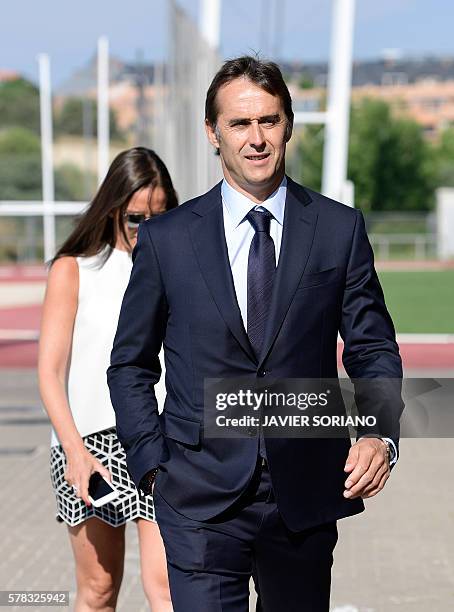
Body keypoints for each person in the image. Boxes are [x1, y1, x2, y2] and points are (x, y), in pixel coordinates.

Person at [108, 58, 403, 611]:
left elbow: (372, 346)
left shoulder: (338, 230)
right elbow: (130, 364)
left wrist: (377, 433)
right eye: (240, 124)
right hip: (196, 497)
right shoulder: (168, 239)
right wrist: (152, 464)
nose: (257, 138)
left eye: (268, 121)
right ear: (213, 132)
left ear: (288, 124)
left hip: (305, 491)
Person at [38, 147, 177, 612]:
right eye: (136, 217)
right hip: (90, 446)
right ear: (112, 207)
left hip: (159, 437)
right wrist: (75, 452)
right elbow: (50, 372)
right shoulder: (73, 269)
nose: (147, 228)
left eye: (160, 216)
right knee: (99, 590)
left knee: (167, 588)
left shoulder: (179, 267)